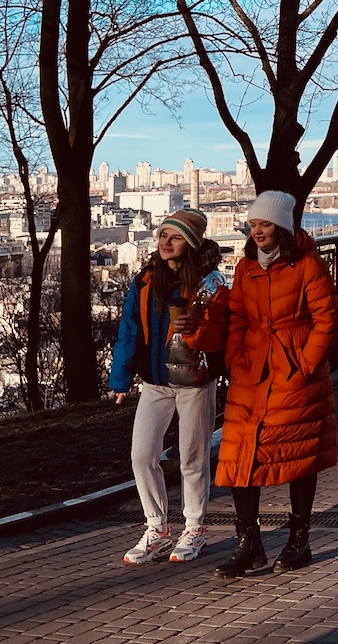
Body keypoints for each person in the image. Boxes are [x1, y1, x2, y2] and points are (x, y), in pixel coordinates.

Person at [213, 190, 338, 579]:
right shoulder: (245, 267)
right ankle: (248, 543)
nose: (257, 233)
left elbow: (328, 319)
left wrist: (304, 364)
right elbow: (237, 317)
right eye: (253, 225)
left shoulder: (308, 266)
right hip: (252, 371)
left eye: (264, 225)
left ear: (281, 227)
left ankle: (298, 540)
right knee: (238, 455)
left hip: (293, 370)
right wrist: (236, 357)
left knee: (298, 452)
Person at [110, 208, 230, 565]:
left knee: (191, 457)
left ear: (190, 244)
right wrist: (121, 377)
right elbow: (130, 328)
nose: (165, 242)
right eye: (163, 235)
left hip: (194, 380)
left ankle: (194, 527)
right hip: (155, 380)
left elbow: (219, 336)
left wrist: (196, 329)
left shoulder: (212, 283)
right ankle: (157, 528)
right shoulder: (147, 279)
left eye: (175, 237)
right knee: (141, 455)